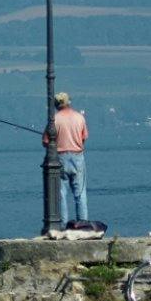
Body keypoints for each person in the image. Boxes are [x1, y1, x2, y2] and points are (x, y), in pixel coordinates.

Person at [45, 91, 89, 224]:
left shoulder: (54, 119)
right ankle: (82, 222)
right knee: (80, 192)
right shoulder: (79, 117)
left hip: (60, 158)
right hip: (77, 157)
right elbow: (84, 137)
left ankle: (62, 225)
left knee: (61, 194)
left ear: (56, 104)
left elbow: (46, 141)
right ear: (68, 102)